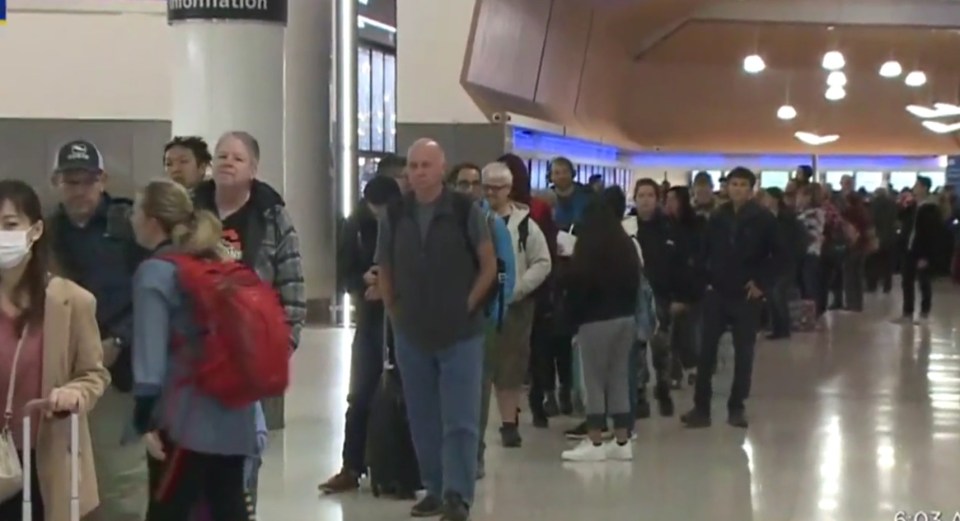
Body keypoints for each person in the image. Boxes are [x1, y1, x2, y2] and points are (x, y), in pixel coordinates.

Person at [375, 139, 497, 521]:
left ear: (441, 168)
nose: (418, 172)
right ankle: (434, 486)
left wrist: (468, 304)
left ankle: (458, 495)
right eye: (413, 166)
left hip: (462, 333)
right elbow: (386, 267)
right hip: (412, 332)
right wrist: (395, 310)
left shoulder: (465, 211)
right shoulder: (394, 214)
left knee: (460, 418)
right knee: (423, 414)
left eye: (426, 165)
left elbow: (488, 265)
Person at [129, 179, 258, 521]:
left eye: (135, 212)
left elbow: (150, 359)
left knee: (167, 508)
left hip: (182, 417)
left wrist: (144, 419)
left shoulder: (155, 273)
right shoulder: (218, 262)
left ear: (152, 221)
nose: (130, 219)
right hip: (233, 411)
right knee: (228, 505)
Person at [45, 139, 149, 521]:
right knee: (64, 480)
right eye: (70, 181)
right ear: (57, 182)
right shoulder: (45, 234)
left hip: (117, 372)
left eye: (87, 180)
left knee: (119, 481)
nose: (79, 190)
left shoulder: (129, 226)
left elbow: (151, 297)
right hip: (62, 376)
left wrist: (119, 339)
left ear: (102, 180)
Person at [0, 180, 110, 521]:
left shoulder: (71, 301)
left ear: (34, 231)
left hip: (43, 456)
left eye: (9, 224)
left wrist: (74, 393)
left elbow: (93, 372)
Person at [192, 131, 306, 430]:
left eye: (238, 158)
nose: (228, 163)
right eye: (222, 156)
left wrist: (283, 347)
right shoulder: (190, 212)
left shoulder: (273, 217)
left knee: (246, 447)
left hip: (252, 349)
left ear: (253, 170)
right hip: (196, 348)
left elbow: (292, 285)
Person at [682, 167, 783, 429]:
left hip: (746, 295)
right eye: (733, 184)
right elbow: (705, 251)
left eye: (742, 185)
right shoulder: (718, 216)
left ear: (751, 189)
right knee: (706, 352)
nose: (737, 189)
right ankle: (701, 408)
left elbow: (780, 256)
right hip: (717, 291)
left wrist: (762, 283)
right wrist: (704, 280)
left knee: (744, 353)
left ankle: (736, 406)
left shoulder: (763, 219)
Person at [319, 175, 401, 494]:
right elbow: (342, 275)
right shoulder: (354, 227)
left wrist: (391, 284)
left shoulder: (407, 222)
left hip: (404, 321)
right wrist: (362, 280)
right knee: (361, 392)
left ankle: (402, 468)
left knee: (405, 394)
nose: (382, 215)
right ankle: (351, 466)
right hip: (370, 321)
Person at [447, 161, 517, 478]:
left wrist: (496, 314)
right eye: (463, 183)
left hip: (482, 319)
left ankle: (474, 454)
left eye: (476, 183)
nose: (470, 190)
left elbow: (506, 273)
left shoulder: (492, 223)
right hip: (445, 317)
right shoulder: (444, 221)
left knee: (478, 389)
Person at [560, 197, 639, 461]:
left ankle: (594, 441)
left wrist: (569, 321)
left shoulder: (588, 248)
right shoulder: (625, 245)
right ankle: (622, 440)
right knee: (618, 378)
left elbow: (577, 288)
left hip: (594, 321)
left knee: (592, 380)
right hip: (626, 319)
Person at [481, 162, 551, 448]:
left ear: (508, 189)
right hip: (480, 307)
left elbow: (542, 262)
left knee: (510, 367)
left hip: (515, 307)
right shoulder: (475, 220)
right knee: (481, 368)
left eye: (497, 188)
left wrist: (518, 289)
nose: (491, 193)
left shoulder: (526, 226)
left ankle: (509, 423)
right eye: (487, 188)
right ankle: (478, 424)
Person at [497, 154, 558, 427]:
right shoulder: (489, 211)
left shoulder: (536, 211)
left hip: (533, 291)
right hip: (505, 294)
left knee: (536, 351)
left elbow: (546, 253)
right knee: (511, 356)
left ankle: (538, 400)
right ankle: (516, 409)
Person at [663, 186, 705, 385]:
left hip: (691, 290)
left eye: (673, 199)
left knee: (688, 332)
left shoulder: (696, 226)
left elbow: (697, 260)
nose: (669, 203)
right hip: (671, 288)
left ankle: (692, 368)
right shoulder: (665, 226)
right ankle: (675, 373)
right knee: (672, 335)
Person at [760, 188, 805, 338]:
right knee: (772, 296)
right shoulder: (764, 217)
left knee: (778, 294)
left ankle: (784, 328)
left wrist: (793, 255)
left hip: (785, 263)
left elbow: (797, 240)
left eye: (767, 197)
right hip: (770, 263)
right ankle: (776, 328)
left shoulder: (787, 218)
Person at [895, 175, 940, 324]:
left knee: (923, 282)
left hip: (922, 250)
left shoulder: (931, 209)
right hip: (909, 248)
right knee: (906, 281)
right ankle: (907, 313)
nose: (914, 188)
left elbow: (932, 234)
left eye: (917, 185)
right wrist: (904, 204)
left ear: (924, 188)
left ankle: (924, 313)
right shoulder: (913, 206)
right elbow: (901, 218)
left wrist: (926, 256)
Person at [796, 184, 826, 307]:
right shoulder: (811, 213)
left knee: (809, 287)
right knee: (807, 286)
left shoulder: (812, 214)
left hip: (809, 254)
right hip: (810, 253)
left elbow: (810, 235)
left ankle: (811, 317)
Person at [865, 187, 898, 293]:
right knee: (887, 263)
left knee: (873, 262)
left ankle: (872, 285)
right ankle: (887, 286)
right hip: (890, 236)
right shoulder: (893, 204)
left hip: (877, 236)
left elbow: (871, 219)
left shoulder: (873, 204)